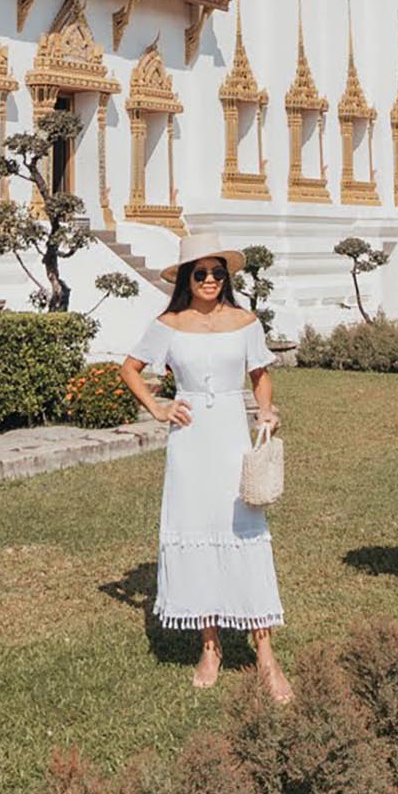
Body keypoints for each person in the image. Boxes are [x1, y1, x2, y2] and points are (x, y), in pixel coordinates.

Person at [119, 234, 291, 703]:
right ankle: (210, 647)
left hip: (233, 437)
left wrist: (267, 411)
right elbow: (130, 368)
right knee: (196, 530)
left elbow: (260, 376)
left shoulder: (246, 322)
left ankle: (266, 657)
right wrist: (158, 408)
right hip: (191, 441)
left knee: (244, 532)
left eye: (218, 273)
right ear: (186, 280)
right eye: (201, 273)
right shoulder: (168, 324)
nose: (211, 280)